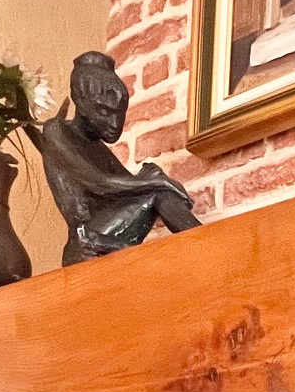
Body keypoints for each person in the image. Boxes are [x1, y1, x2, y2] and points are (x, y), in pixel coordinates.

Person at [34, 52, 200, 264]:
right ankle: (205, 242)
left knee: (154, 185)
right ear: (81, 102)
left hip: (105, 230)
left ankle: (199, 243)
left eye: (119, 113)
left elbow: (129, 187)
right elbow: (101, 183)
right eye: (104, 111)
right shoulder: (57, 131)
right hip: (85, 238)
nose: (115, 124)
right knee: (157, 191)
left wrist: (151, 177)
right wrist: (160, 182)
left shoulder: (99, 147)